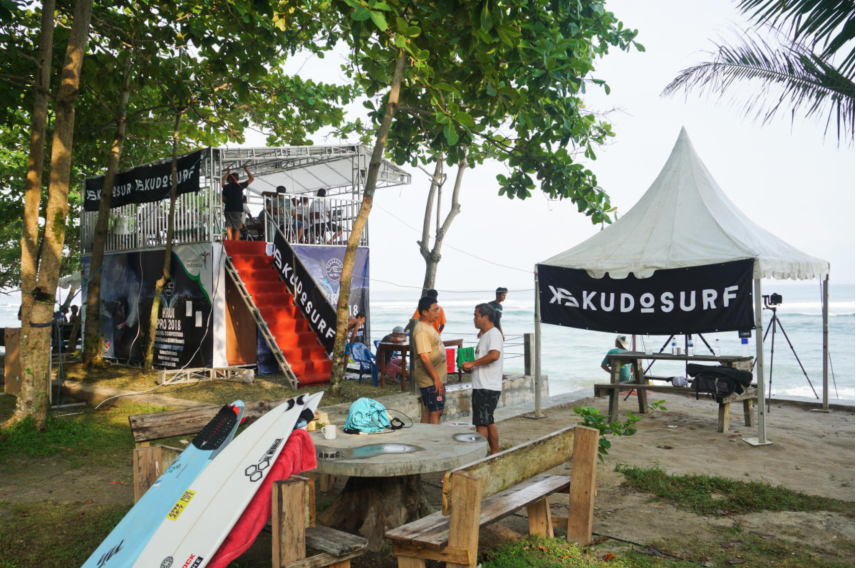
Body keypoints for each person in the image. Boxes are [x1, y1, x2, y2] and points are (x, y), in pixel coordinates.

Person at [462, 303, 504, 454]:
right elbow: (485, 358)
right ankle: (494, 453)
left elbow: (494, 355)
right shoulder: (486, 335)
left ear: (485, 317)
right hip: (484, 385)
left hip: (486, 386)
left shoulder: (493, 334)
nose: (474, 319)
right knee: (488, 421)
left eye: (476, 316)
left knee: (481, 424)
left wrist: (473, 363)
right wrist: (471, 366)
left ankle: (479, 456)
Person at [413, 296, 447, 424]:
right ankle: (434, 436)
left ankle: (423, 435)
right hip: (430, 380)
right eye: (435, 310)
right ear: (424, 312)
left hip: (434, 378)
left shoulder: (429, 326)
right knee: (436, 411)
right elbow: (424, 357)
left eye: (438, 309)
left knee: (429, 409)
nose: (438, 312)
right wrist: (436, 379)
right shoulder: (421, 330)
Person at [221, 165, 254, 241]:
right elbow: (252, 178)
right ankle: (236, 243)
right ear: (238, 179)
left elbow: (221, 181)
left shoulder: (226, 187)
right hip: (237, 210)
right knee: (237, 228)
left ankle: (230, 243)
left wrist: (227, 173)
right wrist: (246, 169)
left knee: (229, 227)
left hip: (228, 209)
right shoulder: (240, 186)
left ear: (229, 179)